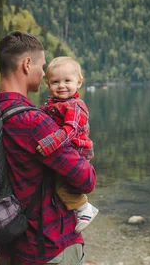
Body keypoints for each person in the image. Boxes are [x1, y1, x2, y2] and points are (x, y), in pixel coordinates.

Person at [0, 31, 96, 265]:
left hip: (7, 244)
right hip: (47, 246)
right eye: (43, 66)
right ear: (27, 64)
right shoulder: (34, 122)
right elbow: (86, 180)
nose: (43, 73)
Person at [36, 57, 99, 233]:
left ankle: (84, 208)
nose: (61, 86)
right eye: (55, 82)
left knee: (62, 186)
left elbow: (70, 130)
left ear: (79, 82)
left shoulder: (76, 106)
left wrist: (50, 143)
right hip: (67, 147)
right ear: (48, 83)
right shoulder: (54, 104)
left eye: (67, 81)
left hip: (78, 149)